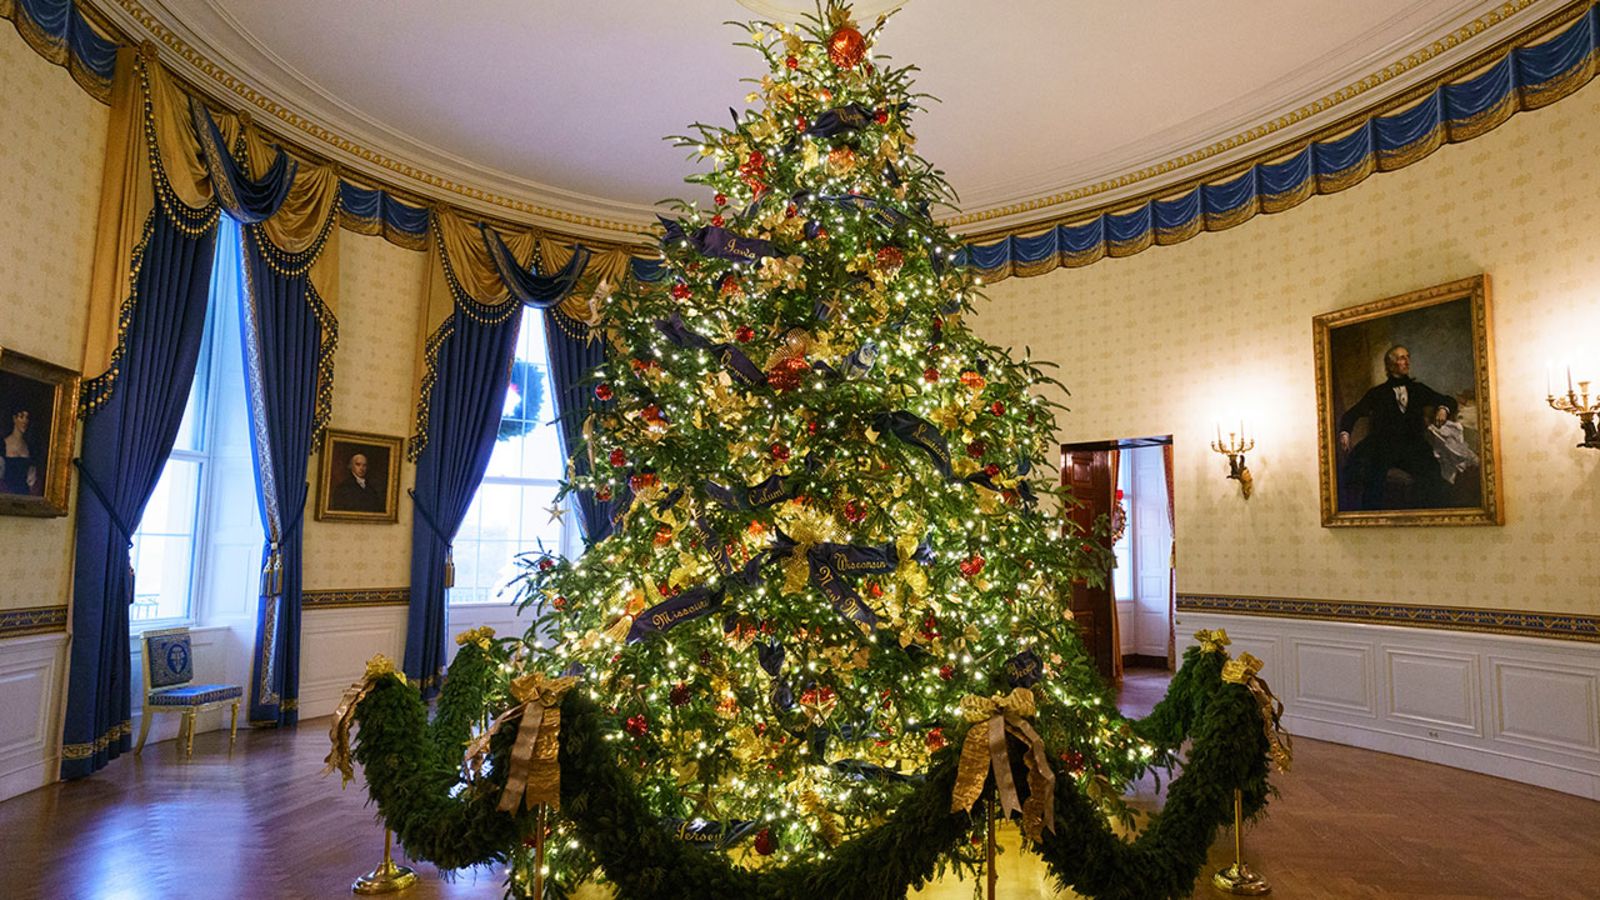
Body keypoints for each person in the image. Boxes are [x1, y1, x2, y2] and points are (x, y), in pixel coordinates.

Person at [1337, 345, 1458, 509]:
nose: (1407, 361)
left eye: (1408, 357)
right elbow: (1352, 414)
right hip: (1382, 446)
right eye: (1402, 358)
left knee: (1431, 473)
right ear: (1390, 364)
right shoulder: (1377, 393)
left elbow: (1448, 400)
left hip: (1412, 445)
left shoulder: (1418, 389)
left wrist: (1443, 408)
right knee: (1372, 478)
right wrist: (1345, 432)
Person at [1, 406, 39, 496]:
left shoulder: (30, 447)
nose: (24, 421)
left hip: (24, 495)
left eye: (27, 417)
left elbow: (31, 478)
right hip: (5, 496)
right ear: (14, 419)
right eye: (21, 417)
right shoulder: (2, 445)